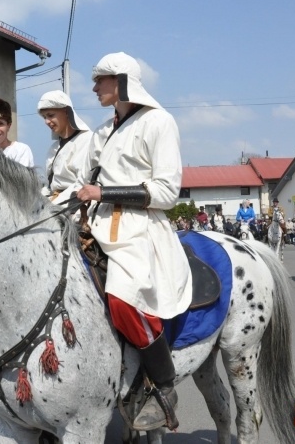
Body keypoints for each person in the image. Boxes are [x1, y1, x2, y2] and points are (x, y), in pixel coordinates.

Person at [71, 52, 192, 430]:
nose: (94, 88)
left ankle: (164, 386)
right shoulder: (103, 131)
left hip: (139, 229)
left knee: (123, 301)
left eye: (101, 80)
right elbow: (86, 180)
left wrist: (103, 193)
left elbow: (168, 191)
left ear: (122, 81)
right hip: (97, 225)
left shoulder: (159, 121)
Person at [36, 89, 92, 205]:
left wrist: (53, 206)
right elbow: (51, 185)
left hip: (75, 206)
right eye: (44, 117)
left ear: (66, 112)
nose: (47, 121)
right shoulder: (54, 148)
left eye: (51, 115)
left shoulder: (87, 140)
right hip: (54, 204)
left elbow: (83, 183)